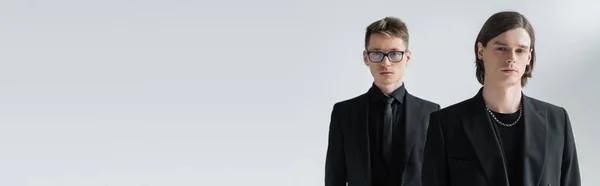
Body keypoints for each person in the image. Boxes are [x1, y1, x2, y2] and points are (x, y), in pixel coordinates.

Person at [421, 11, 581, 186]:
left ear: (529, 56)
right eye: (501, 48)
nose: (511, 58)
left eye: (520, 50)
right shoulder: (446, 123)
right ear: (481, 51)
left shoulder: (557, 120)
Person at [325, 16, 440, 186]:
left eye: (394, 54)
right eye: (377, 53)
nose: (386, 63)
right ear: (366, 57)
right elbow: (335, 177)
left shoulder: (431, 113)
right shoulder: (344, 113)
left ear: (407, 57)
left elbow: (437, 176)